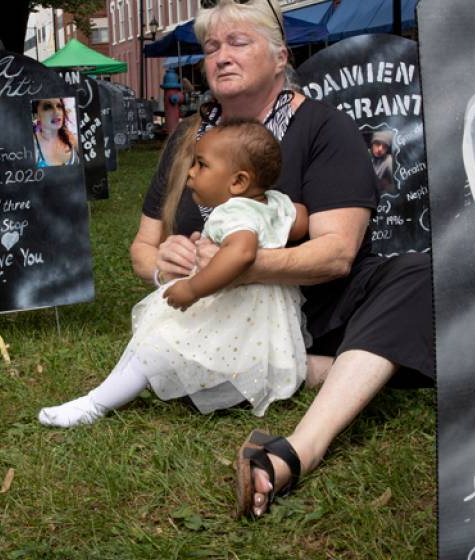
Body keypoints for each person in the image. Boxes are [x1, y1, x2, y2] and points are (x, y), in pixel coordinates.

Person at [132, 0, 433, 519]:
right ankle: (350, 368)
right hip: (225, 322)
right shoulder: (189, 140)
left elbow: (336, 253)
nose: (221, 56)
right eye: (211, 48)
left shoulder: (321, 128)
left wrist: (233, 267)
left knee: (415, 275)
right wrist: (165, 262)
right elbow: (141, 247)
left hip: (320, 307)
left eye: (238, 42)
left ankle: (298, 449)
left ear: (279, 57)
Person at [39, 119, 309, 428]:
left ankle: (95, 404)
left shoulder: (233, 212)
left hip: (232, 307)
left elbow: (242, 251)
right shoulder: (274, 203)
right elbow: (300, 219)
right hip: (265, 314)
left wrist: (194, 288)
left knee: (155, 345)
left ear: (237, 183)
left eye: (202, 165)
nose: (191, 172)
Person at [31, 98, 79, 168]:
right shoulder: (32, 146)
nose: (56, 112)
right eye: (48, 107)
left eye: (59, 106)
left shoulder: (70, 137)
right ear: (36, 116)